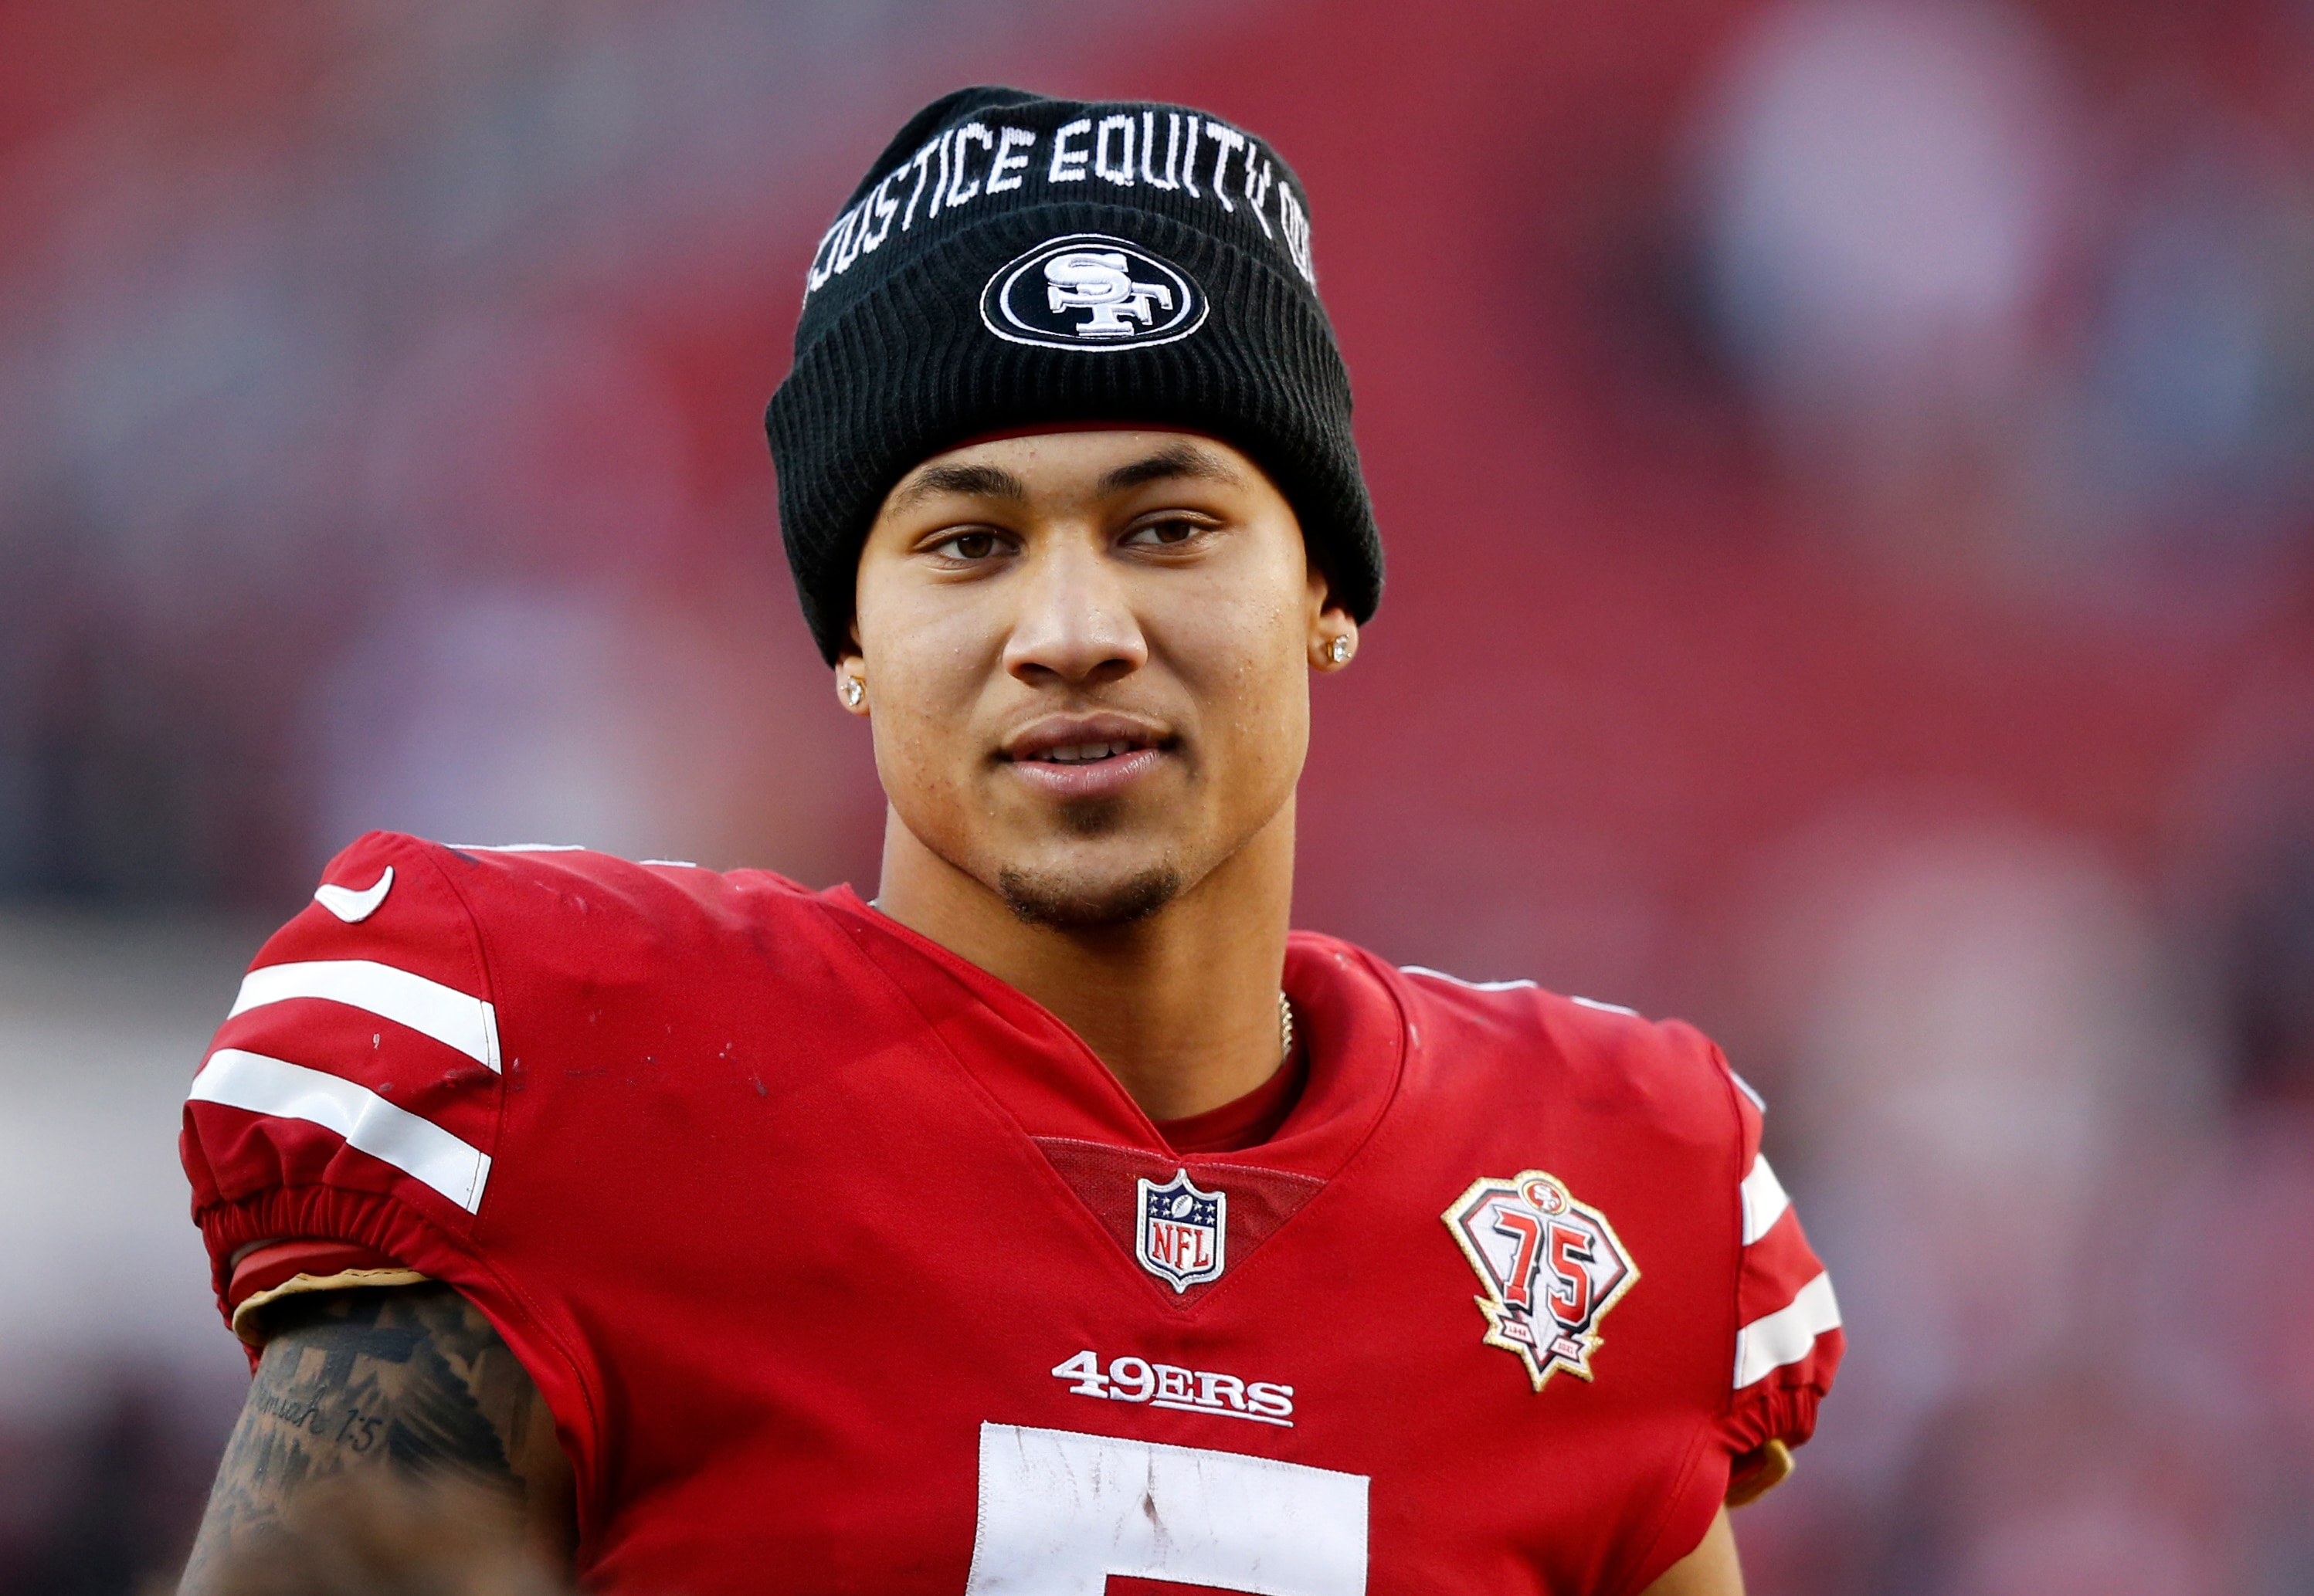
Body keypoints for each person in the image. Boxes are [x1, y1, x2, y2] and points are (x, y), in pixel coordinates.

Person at [177, 87, 1841, 1594]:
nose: (1069, 627)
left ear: (1326, 590)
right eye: (967, 541)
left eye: (1168, 526)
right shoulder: (549, 1064)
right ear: (848, 638)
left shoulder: (1601, 1195)